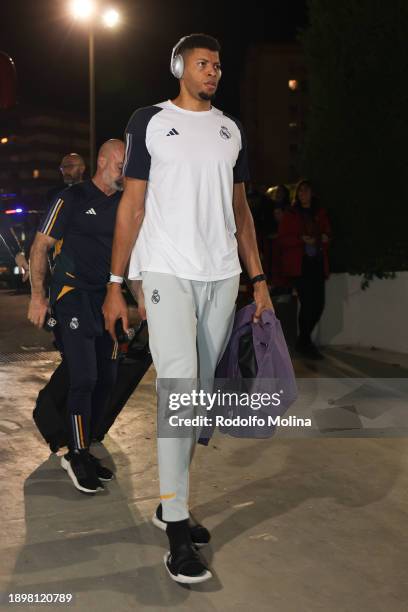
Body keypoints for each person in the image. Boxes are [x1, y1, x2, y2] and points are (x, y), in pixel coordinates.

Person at [102, 33, 273, 584]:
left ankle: (168, 501)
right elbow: (132, 203)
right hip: (165, 268)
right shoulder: (148, 120)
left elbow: (241, 212)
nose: (213, 72)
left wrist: (259, 279)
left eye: (218, 65)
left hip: (221, 272)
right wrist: (115, 281)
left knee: (197, 396)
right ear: (180, 67)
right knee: (179, 383)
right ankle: (176, 525)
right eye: (203, 63)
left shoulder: (231, 130)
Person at [28, 139, 125, 493]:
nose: (125, 170)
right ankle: (77, 452)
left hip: (106, 299)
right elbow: (41, 246)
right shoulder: (71, 198)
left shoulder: (125, 203)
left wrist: (140, 300)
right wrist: (38, 297)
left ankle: (79, 440)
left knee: (107, 378)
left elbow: (132, 257)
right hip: (70, 295)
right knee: (84, 376)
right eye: (119, 163)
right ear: (101, 161)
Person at [278, 179, 331, 359]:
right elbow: (283, 239)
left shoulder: (319, 212)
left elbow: (328, 232)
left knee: (319, 304)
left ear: (311, 193)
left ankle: (303, 340)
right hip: (300, 266)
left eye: (306, 191)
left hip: (316, 263)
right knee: (308, 304)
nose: (303, 194)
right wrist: (301, 240)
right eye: (300, 191)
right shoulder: (291, 214)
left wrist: (324, 238)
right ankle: (305, 343)